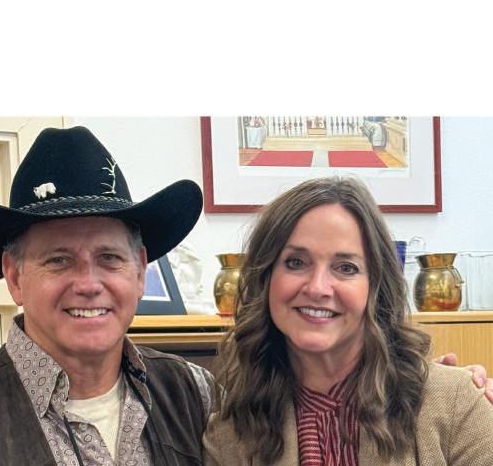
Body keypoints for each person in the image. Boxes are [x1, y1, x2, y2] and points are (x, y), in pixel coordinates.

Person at [203, 176, 493, 465]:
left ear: (375, 287)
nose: (317, 288)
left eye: (346, 267)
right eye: (295, 262)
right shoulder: (229, 436)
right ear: (265, 278)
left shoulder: (455, 403)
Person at [0, 126, 215, 465]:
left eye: (109, 257)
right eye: (58, 260)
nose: (89, 285)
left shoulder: (197, 394)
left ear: (140, 272)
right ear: (15, 278)